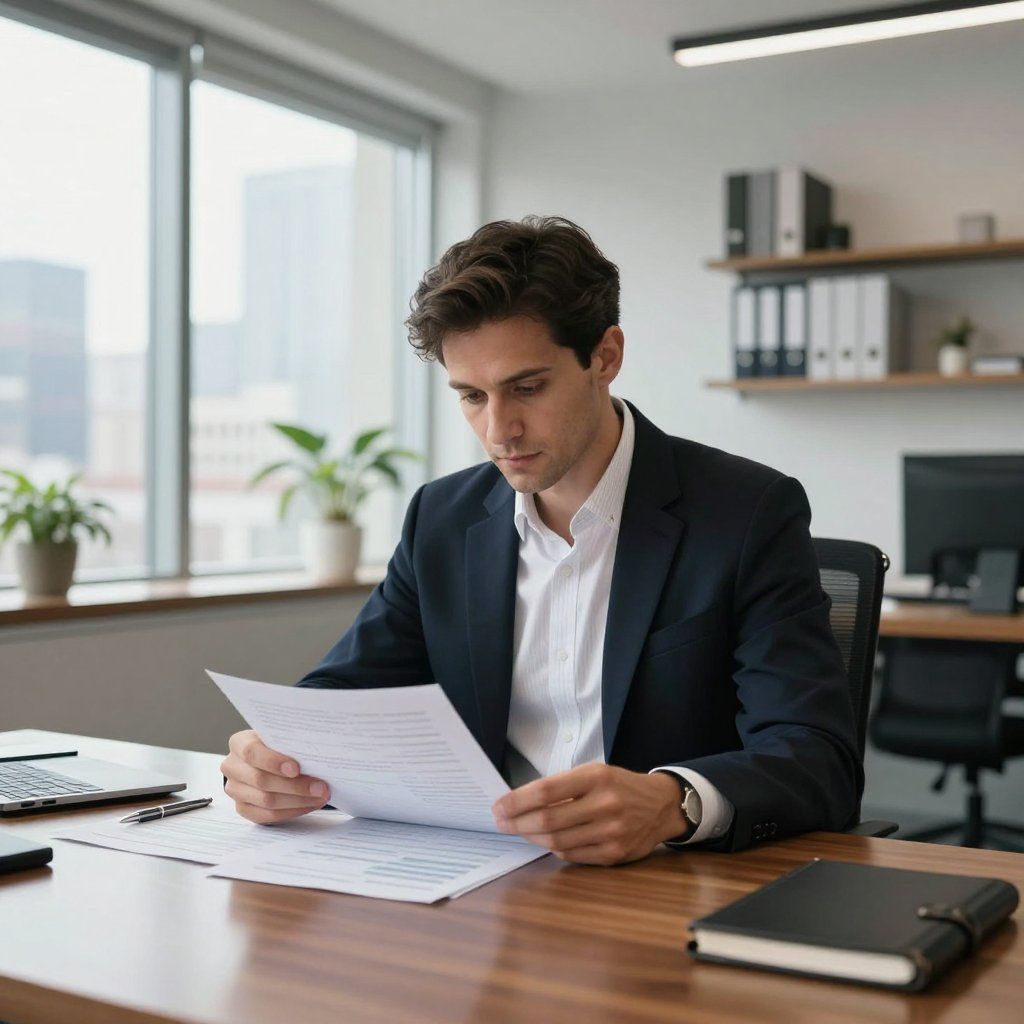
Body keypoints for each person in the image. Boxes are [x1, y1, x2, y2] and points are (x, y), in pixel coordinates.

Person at [221, 216, 861, 865]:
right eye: (472, 396)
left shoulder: (746, 513)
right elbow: (344, 696)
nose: (499, 429)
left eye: (526, 388)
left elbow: (817, 756)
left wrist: (675, 802)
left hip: (663, 877)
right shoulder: (441, 518)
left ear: (605, 357)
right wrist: (271, 759)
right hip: (480, 872)